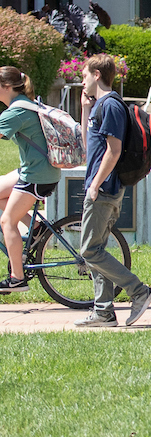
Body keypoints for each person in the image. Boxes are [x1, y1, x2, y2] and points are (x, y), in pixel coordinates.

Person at [76, 54, 151, 327]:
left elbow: (114, 151)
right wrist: (85, 110)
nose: (82, 81)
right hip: (103, 187)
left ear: (97, 75)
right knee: (97, 249)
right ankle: (103, 311)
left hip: (105, 189)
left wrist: (95, 185)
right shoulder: (100, 106)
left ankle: (139, 291)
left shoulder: (111, 106)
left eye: (84, 75)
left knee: (89, 251)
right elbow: (90, 148)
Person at [0, 67, 59, 292]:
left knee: (7, 221)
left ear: (6, 87)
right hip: (39, 170)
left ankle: (17, 278)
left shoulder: (15, 112)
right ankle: (36, 228)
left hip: (36, 175)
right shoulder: (25, 103)